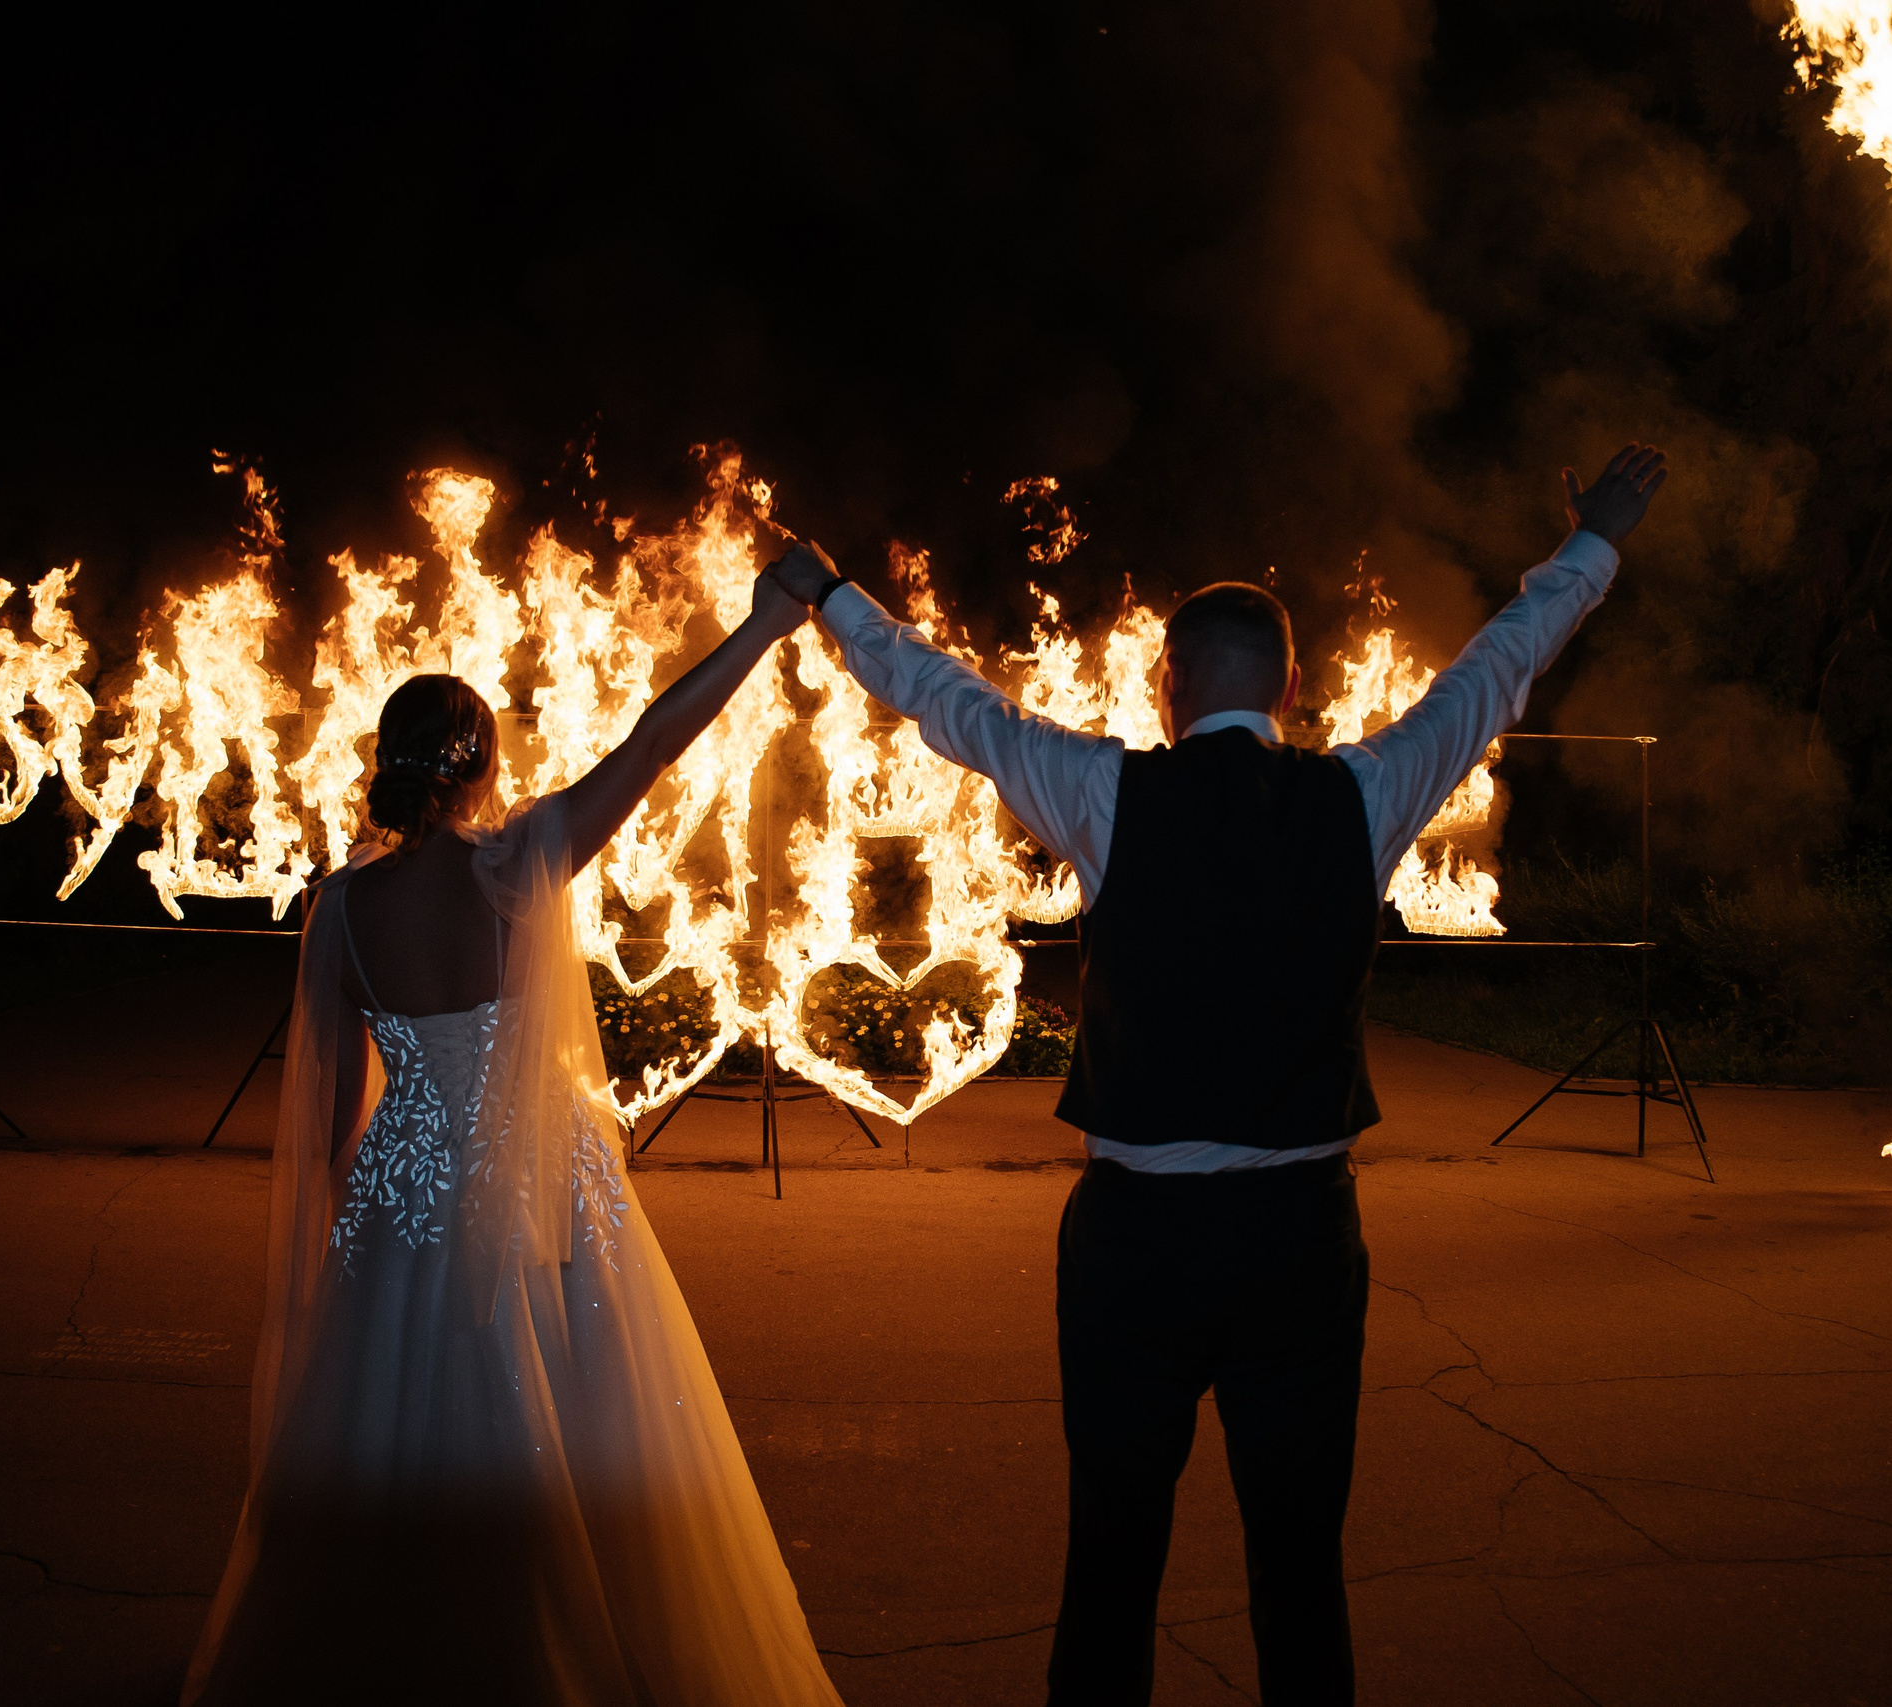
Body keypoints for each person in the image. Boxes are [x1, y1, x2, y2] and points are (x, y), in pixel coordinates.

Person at [766, 444, 1668, 1707]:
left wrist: (829, 597)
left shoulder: (1104, 789)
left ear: (1165, 685)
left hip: (1136, 1241)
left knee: (1112, 1563)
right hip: (1300, 1237)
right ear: (1292, 687)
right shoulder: (1362, 793)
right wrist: (1593, 546)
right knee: (1299, 1566)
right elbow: (1492, 675)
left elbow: (949, 702)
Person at [182, 558, 842, 1705]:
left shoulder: (341, 908)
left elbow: (333, 1102)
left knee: (397, 1443)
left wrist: (359, 1253)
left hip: (401, 1197)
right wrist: (763, 626)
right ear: (483, 761)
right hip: (547, 1187)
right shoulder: (518, 865)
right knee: (581, 1431)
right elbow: (651, 744)